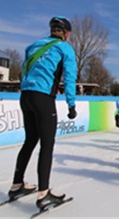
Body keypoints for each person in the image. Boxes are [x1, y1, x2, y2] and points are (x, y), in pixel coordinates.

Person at [8, 16, 77, 210]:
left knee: (30, 141)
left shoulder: (33, 46)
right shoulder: (65, 48)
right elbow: (70, 77)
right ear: (67, 34)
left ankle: (16, 185)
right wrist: (71, 104)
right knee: (47, 145)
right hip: (43, 98)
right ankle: (44, 194)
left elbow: (24, 70)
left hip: (26, 96)